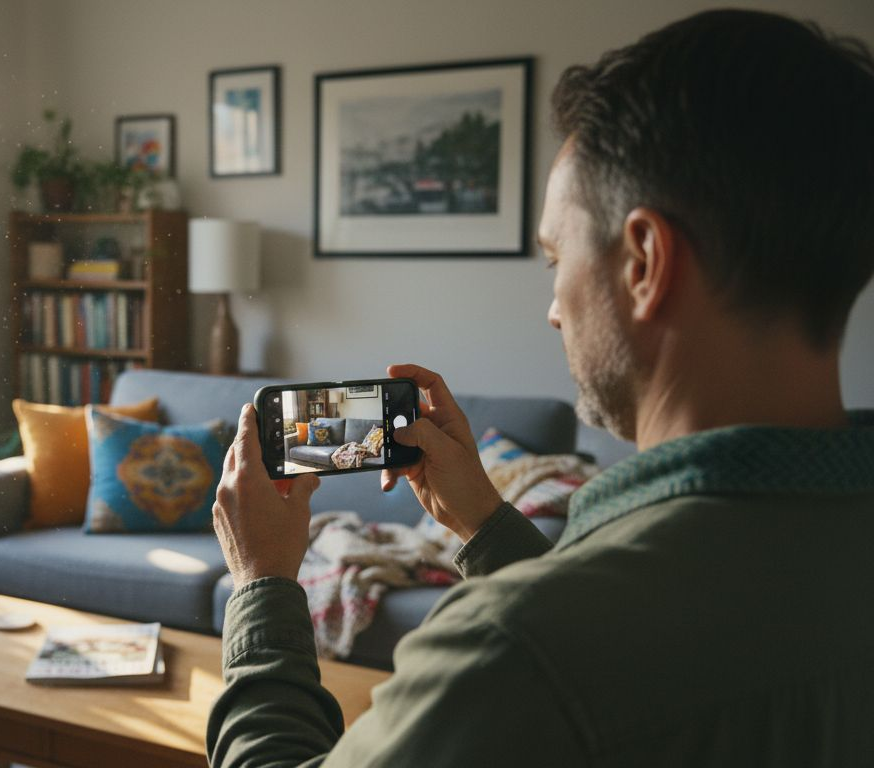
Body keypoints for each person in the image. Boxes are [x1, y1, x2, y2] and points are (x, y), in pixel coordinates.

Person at [208, 9, 874, 766]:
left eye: (556, 260)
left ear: (645, 262)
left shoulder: (510, 649)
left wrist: (262, 586)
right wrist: (487, 525)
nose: (553, 310)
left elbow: (570, 655)